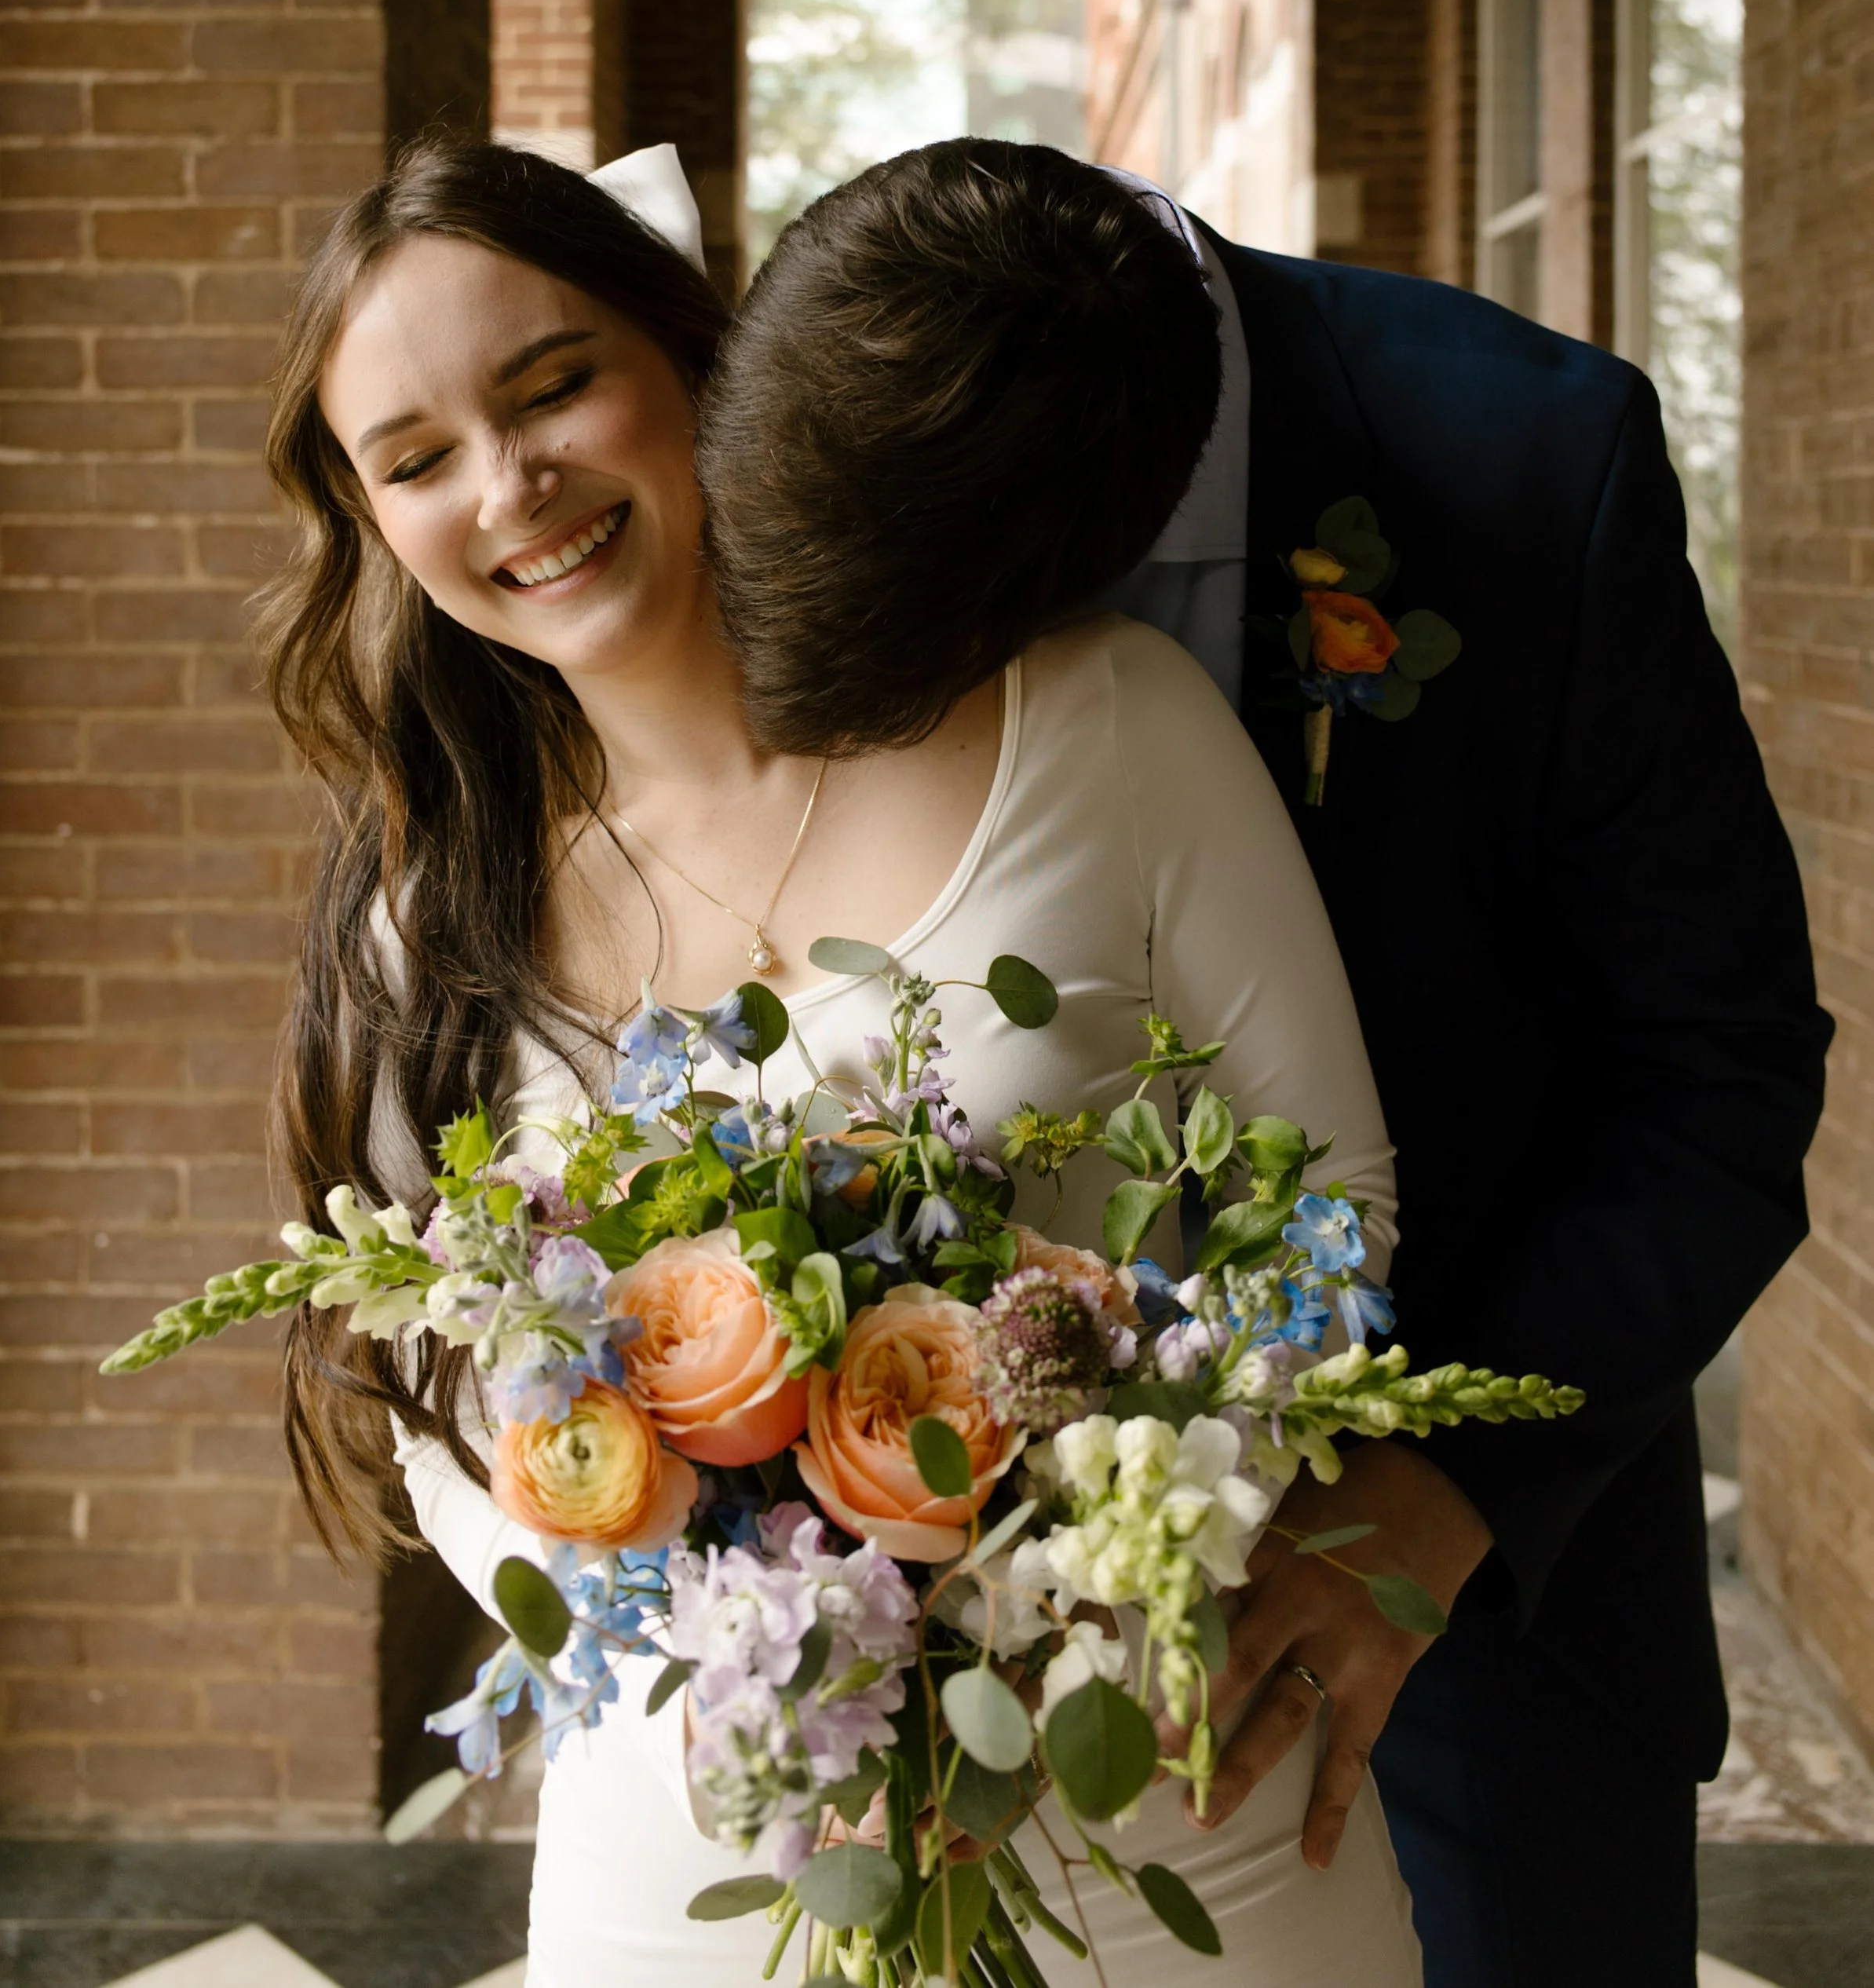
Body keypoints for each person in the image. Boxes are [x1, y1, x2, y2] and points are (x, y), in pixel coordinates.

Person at [257, 133, 1427, 1987]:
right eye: (416, 461)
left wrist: (1082, 1559)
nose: (510, 485)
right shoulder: (432, 913)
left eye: (553, 386)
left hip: (1151, 1771)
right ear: (377, 522)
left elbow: (1328, 1206)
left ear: (696, 359)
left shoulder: (1098, 715)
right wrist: (737, 1627)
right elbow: (443, 1397)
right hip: (708, 1819)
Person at [696, 134, 1832, 1988]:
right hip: (951, 1635)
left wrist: (1446, 1490)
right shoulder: (832, 427)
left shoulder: (1531, 471)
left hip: (1474, 1617)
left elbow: (1715, 1065)